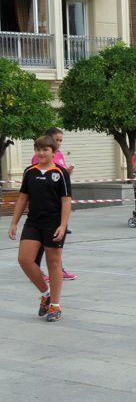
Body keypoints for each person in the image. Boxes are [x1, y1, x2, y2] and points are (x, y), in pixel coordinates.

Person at [8, 135, 72, 322]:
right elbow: (22, 198)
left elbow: (66, 201)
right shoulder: (30, 171)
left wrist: (62, 225)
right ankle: (45, 295)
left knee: (54, 263)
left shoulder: (60, 173)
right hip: (33, 222)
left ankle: (55, 305)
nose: (41, 153)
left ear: (53, 152)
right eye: (38, 149)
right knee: (24, 260)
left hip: (53, 223)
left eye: (45, 149)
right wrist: (14, 222)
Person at [32, 127, 76, 282]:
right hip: (43, 208)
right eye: (56, 140)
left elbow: (61, 176)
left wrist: (68, 172)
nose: (59, 143)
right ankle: (36, 269)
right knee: (41, 243)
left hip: (58, 207)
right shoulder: (39, 158)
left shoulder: (59, 155)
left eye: (60, 140)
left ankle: (59, 270)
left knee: (56, 241)